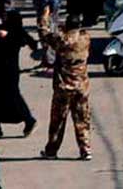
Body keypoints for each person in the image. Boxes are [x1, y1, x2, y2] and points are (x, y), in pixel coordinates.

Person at [39, 14, 92, 161]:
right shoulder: (86, 38)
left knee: (58, 120)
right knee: (82, 119)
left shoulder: (63, 41)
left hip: (64, 87)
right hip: (81, 86)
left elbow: (44, 34)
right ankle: (85, 149)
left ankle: (51, 151)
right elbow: (75, 33)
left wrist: (44, 18)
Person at [0, 10, 37, 140]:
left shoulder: (17, 32)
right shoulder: (0, 29)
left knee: (13, 96)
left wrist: (9, 35)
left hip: (8, 71)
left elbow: (32, 44)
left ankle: (28, 119)